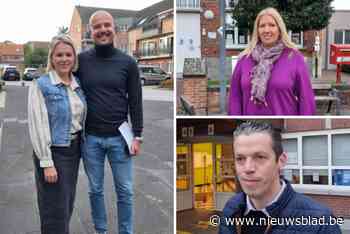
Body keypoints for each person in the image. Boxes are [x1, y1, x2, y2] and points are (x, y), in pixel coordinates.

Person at [75, 10, 143, 234]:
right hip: (90, 138)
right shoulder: (81, 61)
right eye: (97, 26)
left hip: (119, 139)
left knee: (125, 190)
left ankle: (126, 231)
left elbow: (135, 100)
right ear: (90, 31)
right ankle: (101, 230)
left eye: (107, 25)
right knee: (95, 190)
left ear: (114, 28)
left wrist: (137, 135)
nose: (103, 30)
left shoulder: (128, 63)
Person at [219, 121, 341, 234]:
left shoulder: (321, 222)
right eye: (240, 159)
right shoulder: (231, 208)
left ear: (281, 161)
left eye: (260, 157)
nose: (248, 168)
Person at [28, 35, 86, 234]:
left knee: (66, 205)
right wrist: (47, 162)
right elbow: (38, 125)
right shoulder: (41, 84)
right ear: (52, 58)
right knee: (54, 210)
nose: (64, 59)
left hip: (74, 151)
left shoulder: (76, 83)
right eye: (59, 55)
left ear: (74, 58)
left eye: (68, 54)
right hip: (54, 153)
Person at [228, 7, 316, 115]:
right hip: (251, 127)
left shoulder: (294, 57)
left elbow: (306, 99)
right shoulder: (244, 58)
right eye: (262, 26)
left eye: (272, 25)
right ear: (257, 30)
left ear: (279, 29)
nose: (266, 30)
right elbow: (235, 99)